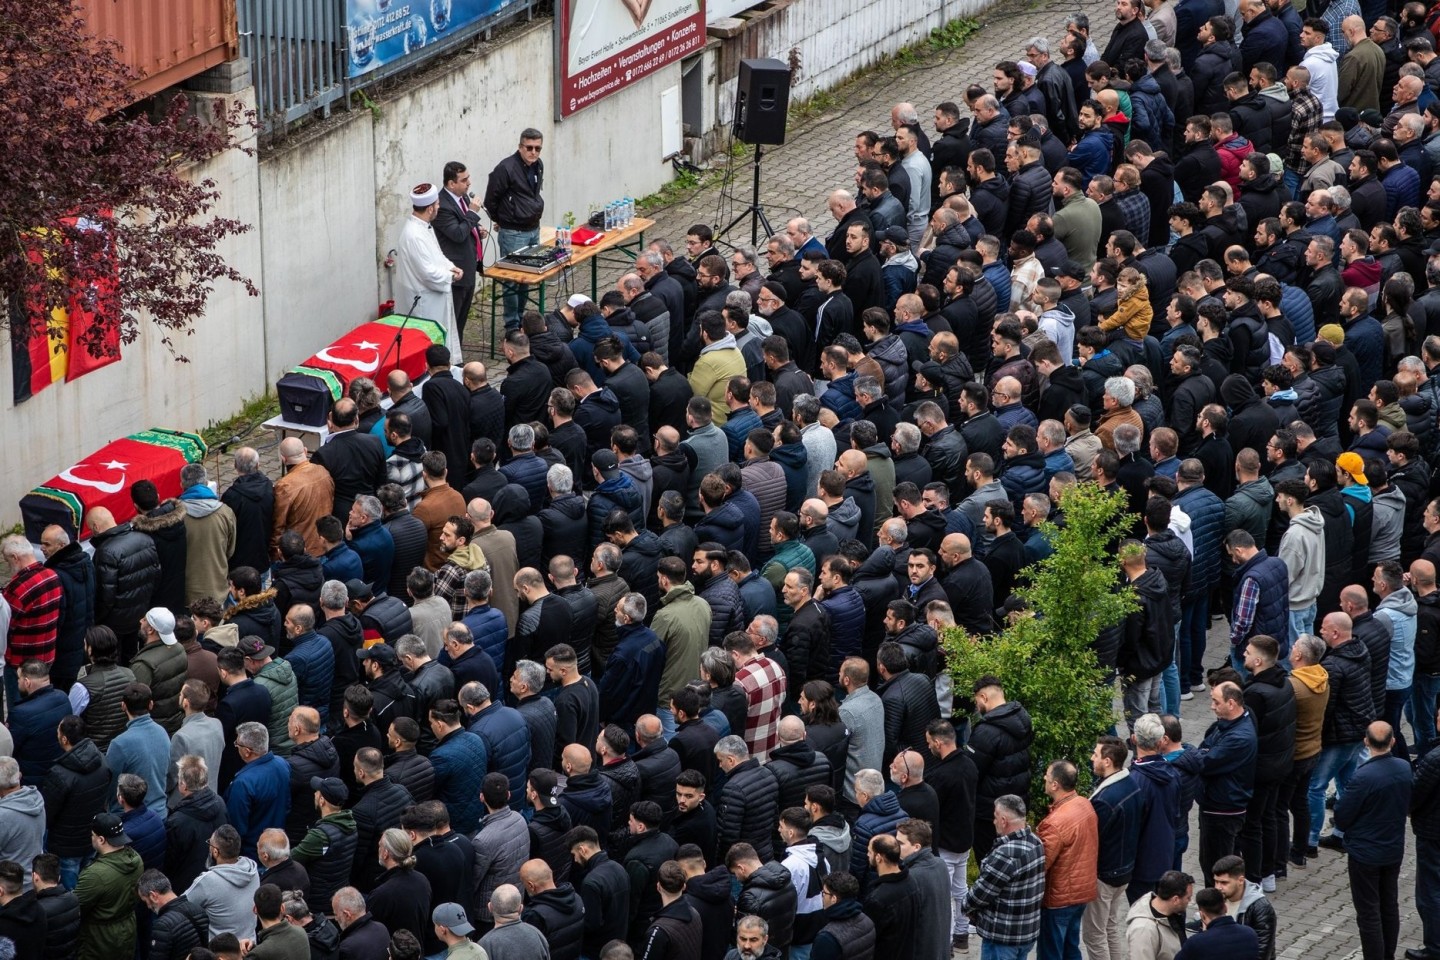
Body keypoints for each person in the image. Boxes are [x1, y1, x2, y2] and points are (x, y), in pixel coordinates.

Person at [1335, 721, 1412, 960]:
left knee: (1368, 912)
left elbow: (1342, 816)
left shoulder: (1363, 776)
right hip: (1393, 848)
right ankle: (1387, 954)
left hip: (1365, 853)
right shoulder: (1403, 767)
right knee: (1389, 905)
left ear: (1366, 741)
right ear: (1393, 741)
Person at [1172, 682, 1259, 886]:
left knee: (1216, 864)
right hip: (1218, 803)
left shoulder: (1239, 737)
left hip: (1223, 809)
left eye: (1215, 701)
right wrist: (1200, 752)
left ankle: (1216, 908)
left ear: (1231, 703)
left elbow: (1204, 762)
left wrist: (1181, 751)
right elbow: (1205, 749)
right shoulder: (1229, 723)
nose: (1211, 706)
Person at [485, 129, 546, 330]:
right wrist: (500, 219)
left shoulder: (538, 165)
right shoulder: (506, 168)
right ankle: (512, 325)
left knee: (526, 278)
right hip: (513, 233)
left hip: (532, 229)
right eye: (529, 148)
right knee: (511, 281)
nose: (534, 152)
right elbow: (490, 199)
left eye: (538, 148)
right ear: (520, 147)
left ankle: (522, 320)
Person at [1036, 760, 1097, 960]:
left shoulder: (1055, 823)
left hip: (1059, 898)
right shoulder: (1084, 804)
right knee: (1071, 948)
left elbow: (1041, 864)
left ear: (1055, 785)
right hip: (1082, 892)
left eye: (1047, 775)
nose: (1044, 777)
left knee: (1050, 952)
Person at [395, 181, 462, 355]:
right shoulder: (414, 235)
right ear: (431, 208)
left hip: (434, 296)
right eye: (438, 204)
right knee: (429, 346)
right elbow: (427, 272)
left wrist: (451, 267)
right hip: (425, 300)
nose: (439, 207)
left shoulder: (424, 228)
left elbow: (437, 256)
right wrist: (451, 276)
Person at [74, 812, 144, 960]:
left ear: (101, 839)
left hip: (99, 939)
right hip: (127, 930)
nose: (91, 837)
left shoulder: (96, 875)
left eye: (92, 835)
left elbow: (77, 907)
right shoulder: (136, 859)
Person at [435, 161, 488, 340]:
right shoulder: (442, 206)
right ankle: (451, 359)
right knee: (454, 319)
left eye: (468, 178)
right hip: (456, 271)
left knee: (463, 317)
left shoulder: (463, 197)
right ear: (451, 184)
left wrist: (477, 228)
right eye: (464, 180)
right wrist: (473, 214)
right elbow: (457, 234)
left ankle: (458, 352)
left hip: (469, 266)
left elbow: (465, 225)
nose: (469, 183)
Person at [185, 824, 260, 942]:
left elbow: (180, 906)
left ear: (215, 852)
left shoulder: (207, 881)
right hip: (249, 947)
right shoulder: (252, 871)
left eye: (210, 843)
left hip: (220, 952)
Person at [1174, 887, 1259, 960]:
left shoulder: (1196, 943)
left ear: (1202, 915)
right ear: (1225, 908)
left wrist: (1203, 932)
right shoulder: (1250, 933)